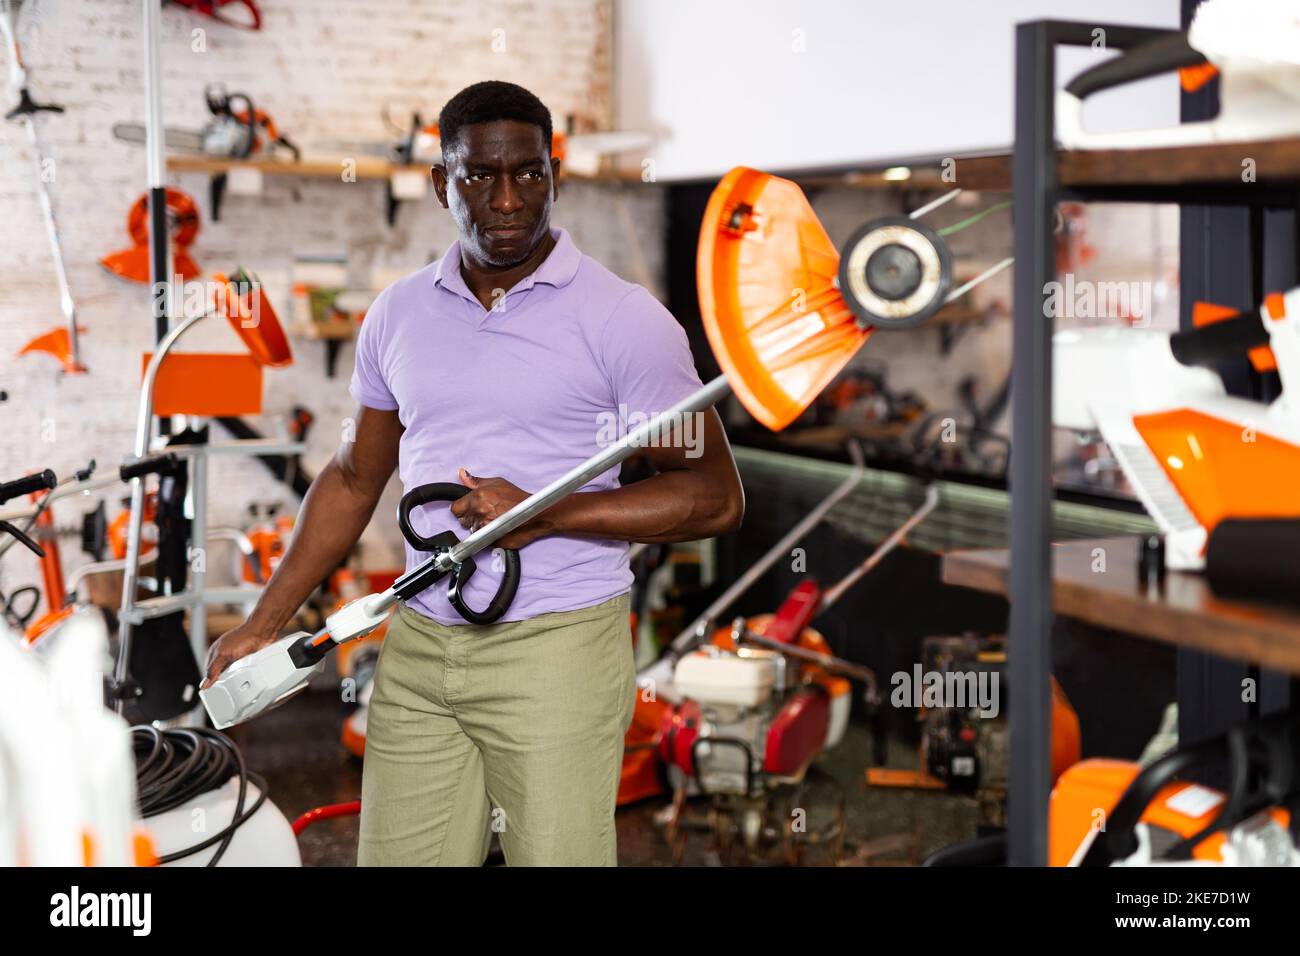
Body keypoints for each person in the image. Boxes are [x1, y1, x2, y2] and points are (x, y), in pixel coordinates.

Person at [203, 80, 744, 866]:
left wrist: (547, 514)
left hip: (557, 650)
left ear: (553, 175)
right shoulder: (397, 314)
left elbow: (713, 496)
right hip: (420, 640)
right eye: (479, 178)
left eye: (530, 174)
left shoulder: (627, 321)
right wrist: (265, 620)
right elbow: (355, 477)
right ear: (439, 184)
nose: (508, 200)